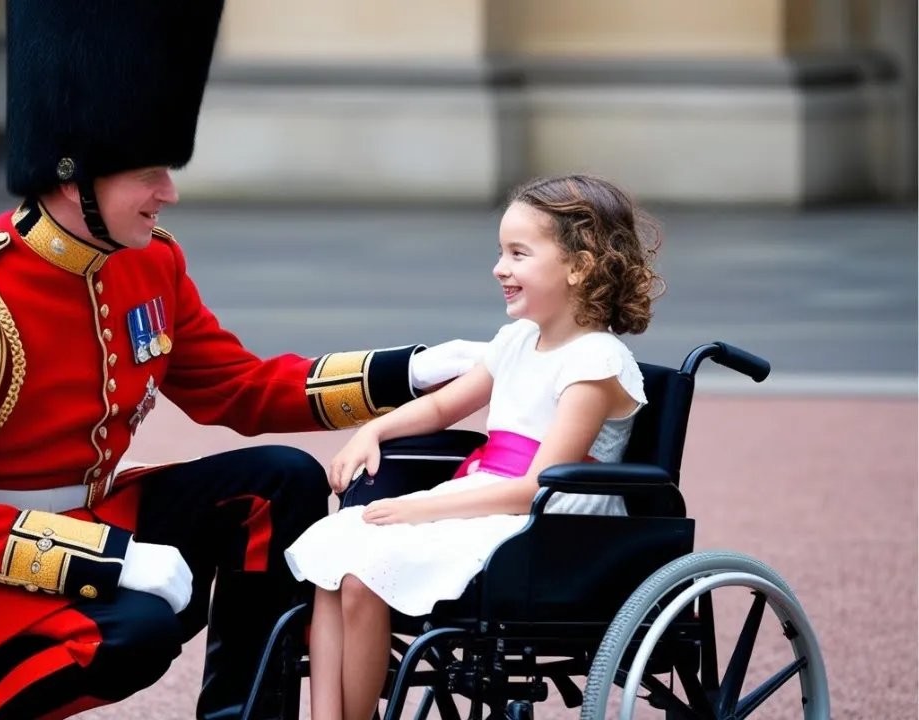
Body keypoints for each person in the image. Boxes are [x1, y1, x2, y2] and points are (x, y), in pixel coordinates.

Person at [0, 3, 483, 719]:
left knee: (280, 483)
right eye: (149, 172)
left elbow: (240, 391)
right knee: (136, 633)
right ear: (73, 179)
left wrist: (409, 372)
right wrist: (115, 560)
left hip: (94, 513)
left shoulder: (149, 262)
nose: (170, 192)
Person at [285, 174, 666, 720]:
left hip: (549, 519)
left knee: (365, 571)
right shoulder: (515, 340)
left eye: (518, 253)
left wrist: (421, 507)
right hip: (489, 495)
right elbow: (443, 407)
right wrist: (373, 430)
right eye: (500, 252)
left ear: (579, 266)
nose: (499, 268)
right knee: (335, 552)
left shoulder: (596, 362)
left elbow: (538, 486)